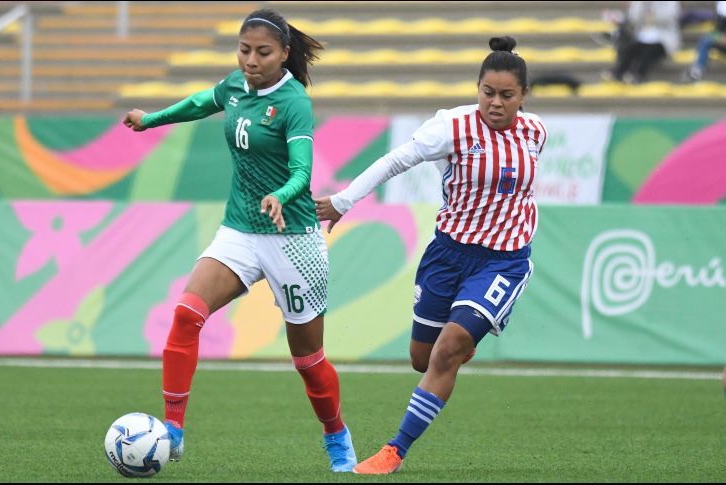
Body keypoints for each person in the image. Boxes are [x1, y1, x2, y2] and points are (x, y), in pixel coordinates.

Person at [122, 9, 357, 473]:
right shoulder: (235, 86)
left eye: (262, 52)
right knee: (186, 315)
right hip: (240, 230)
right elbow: (198, 103)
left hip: (293, 240)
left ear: (285, 54)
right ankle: (172, 431)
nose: (251, 60)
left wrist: (281, 194)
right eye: (244, 50)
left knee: (309, 362)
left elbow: (303, 173)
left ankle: (336, 435)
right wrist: (151, 119)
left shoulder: (294, 103)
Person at [315, 36, 547, 474]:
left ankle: (393, 451)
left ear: (524, 97)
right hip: (447, 253)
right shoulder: (451, 127)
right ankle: (460, 342)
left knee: (447, 352)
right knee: (422, 358)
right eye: (488, 93)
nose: (495, 103)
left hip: (504, 261)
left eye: (507, 95)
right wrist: (344, 201)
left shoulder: (536, 131)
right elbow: (394, 161)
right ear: (477, 88)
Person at [607, 1, 681, 83]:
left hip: (664, 37)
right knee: (631, 48)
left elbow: (669, 16)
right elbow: (634, 18)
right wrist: (643, 6)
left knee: (649, 49)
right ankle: (619, 73)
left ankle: (639, 75)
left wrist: (652, 11)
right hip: (642, 36)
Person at [683, 1, 726, 82]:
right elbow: (716, 32)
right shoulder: (722, 14)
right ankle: (697, 70)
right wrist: (719, 37)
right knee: (706, 40)